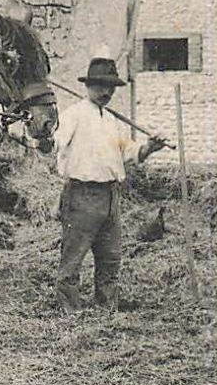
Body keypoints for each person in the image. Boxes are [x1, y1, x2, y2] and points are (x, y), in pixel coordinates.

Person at [53, 56, 167, 312]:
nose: (106, 92)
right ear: (88, 85)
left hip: (111, 196)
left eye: (111, 87)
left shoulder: (113, 119)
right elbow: (53, 142)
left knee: (110, 258)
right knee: (73, 258)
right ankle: (68, 313)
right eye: (101, 85)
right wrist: (42, 138)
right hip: (82, 194)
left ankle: (107, 311)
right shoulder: (73, 115)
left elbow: (130, 152)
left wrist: (151, 147)